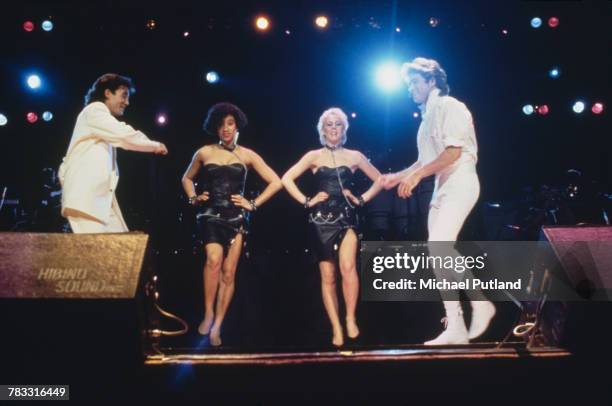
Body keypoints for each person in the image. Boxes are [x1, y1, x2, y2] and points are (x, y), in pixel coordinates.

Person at [380, 57, 495, 345]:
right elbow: (424, 160)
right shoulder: (424, 122)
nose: (410, 89)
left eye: (414, 82)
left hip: (461, 180)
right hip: (441, 187)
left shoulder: (451, 106)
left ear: (432, 81)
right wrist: (397, 175)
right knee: (437, 253)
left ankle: (480, 303)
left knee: (439, 245)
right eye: (408, 84)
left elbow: (453, 153)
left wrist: (417, 177)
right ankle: (455, 326)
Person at [182, 102, 282, 346]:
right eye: (221, 125)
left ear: (237, 126)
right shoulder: (204, 152)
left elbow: (276, 181)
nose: (226, 129)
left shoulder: (246, 154)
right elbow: (186, 178)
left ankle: (218, 325)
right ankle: (208, 313)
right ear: (215, 128)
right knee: (213, 261)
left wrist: (253, 203)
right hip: (210, 215)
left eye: (230, 124)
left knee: (229, 273)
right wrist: (193, 197)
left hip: (237, 218)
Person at [282, 107, 382, 347]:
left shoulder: (355, 156)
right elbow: (286, 178)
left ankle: (350, 318)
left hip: (346, 217)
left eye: (338, 124)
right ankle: (336, 326)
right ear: (323, 129)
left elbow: (380, 179)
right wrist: (307, 200)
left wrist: (361, 199)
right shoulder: (313, 156)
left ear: (344, 129)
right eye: (329, 124)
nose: (334, 128)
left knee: (348, 267)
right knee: (328, 276)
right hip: (320, 221)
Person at [60, 73, 168, 233]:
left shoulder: (98, 121)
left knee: (122, 247)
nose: (127, 102)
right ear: (108, 93)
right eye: (124, 95)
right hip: (85, 200)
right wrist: (154, 145)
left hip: (99, 201)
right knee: (99, 252)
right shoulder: (94, 110)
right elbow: (123, 135)